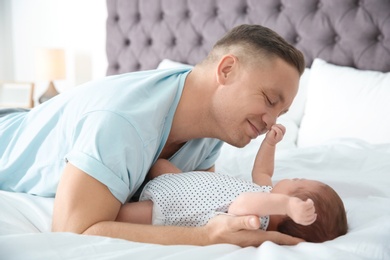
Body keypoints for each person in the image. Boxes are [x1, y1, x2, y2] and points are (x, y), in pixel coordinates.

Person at [0, 24, 305, 246]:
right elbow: (72, 232)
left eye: (281, 113)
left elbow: (187, 202)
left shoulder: (213, 130)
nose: (271, 122)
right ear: (226, 71)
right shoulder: (122, 122)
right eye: (268, 100)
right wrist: (207, 237)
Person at [116, 124, 348, 243]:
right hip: (178, 181)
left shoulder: (258, 221)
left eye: (298, 182)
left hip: (169, 208)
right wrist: (269, 144)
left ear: (289, 213)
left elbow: (240, 204)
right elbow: (262, 170)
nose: (293, 178)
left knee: (120, 215)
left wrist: (285, 205)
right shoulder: (264, 190)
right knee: (160, 164)